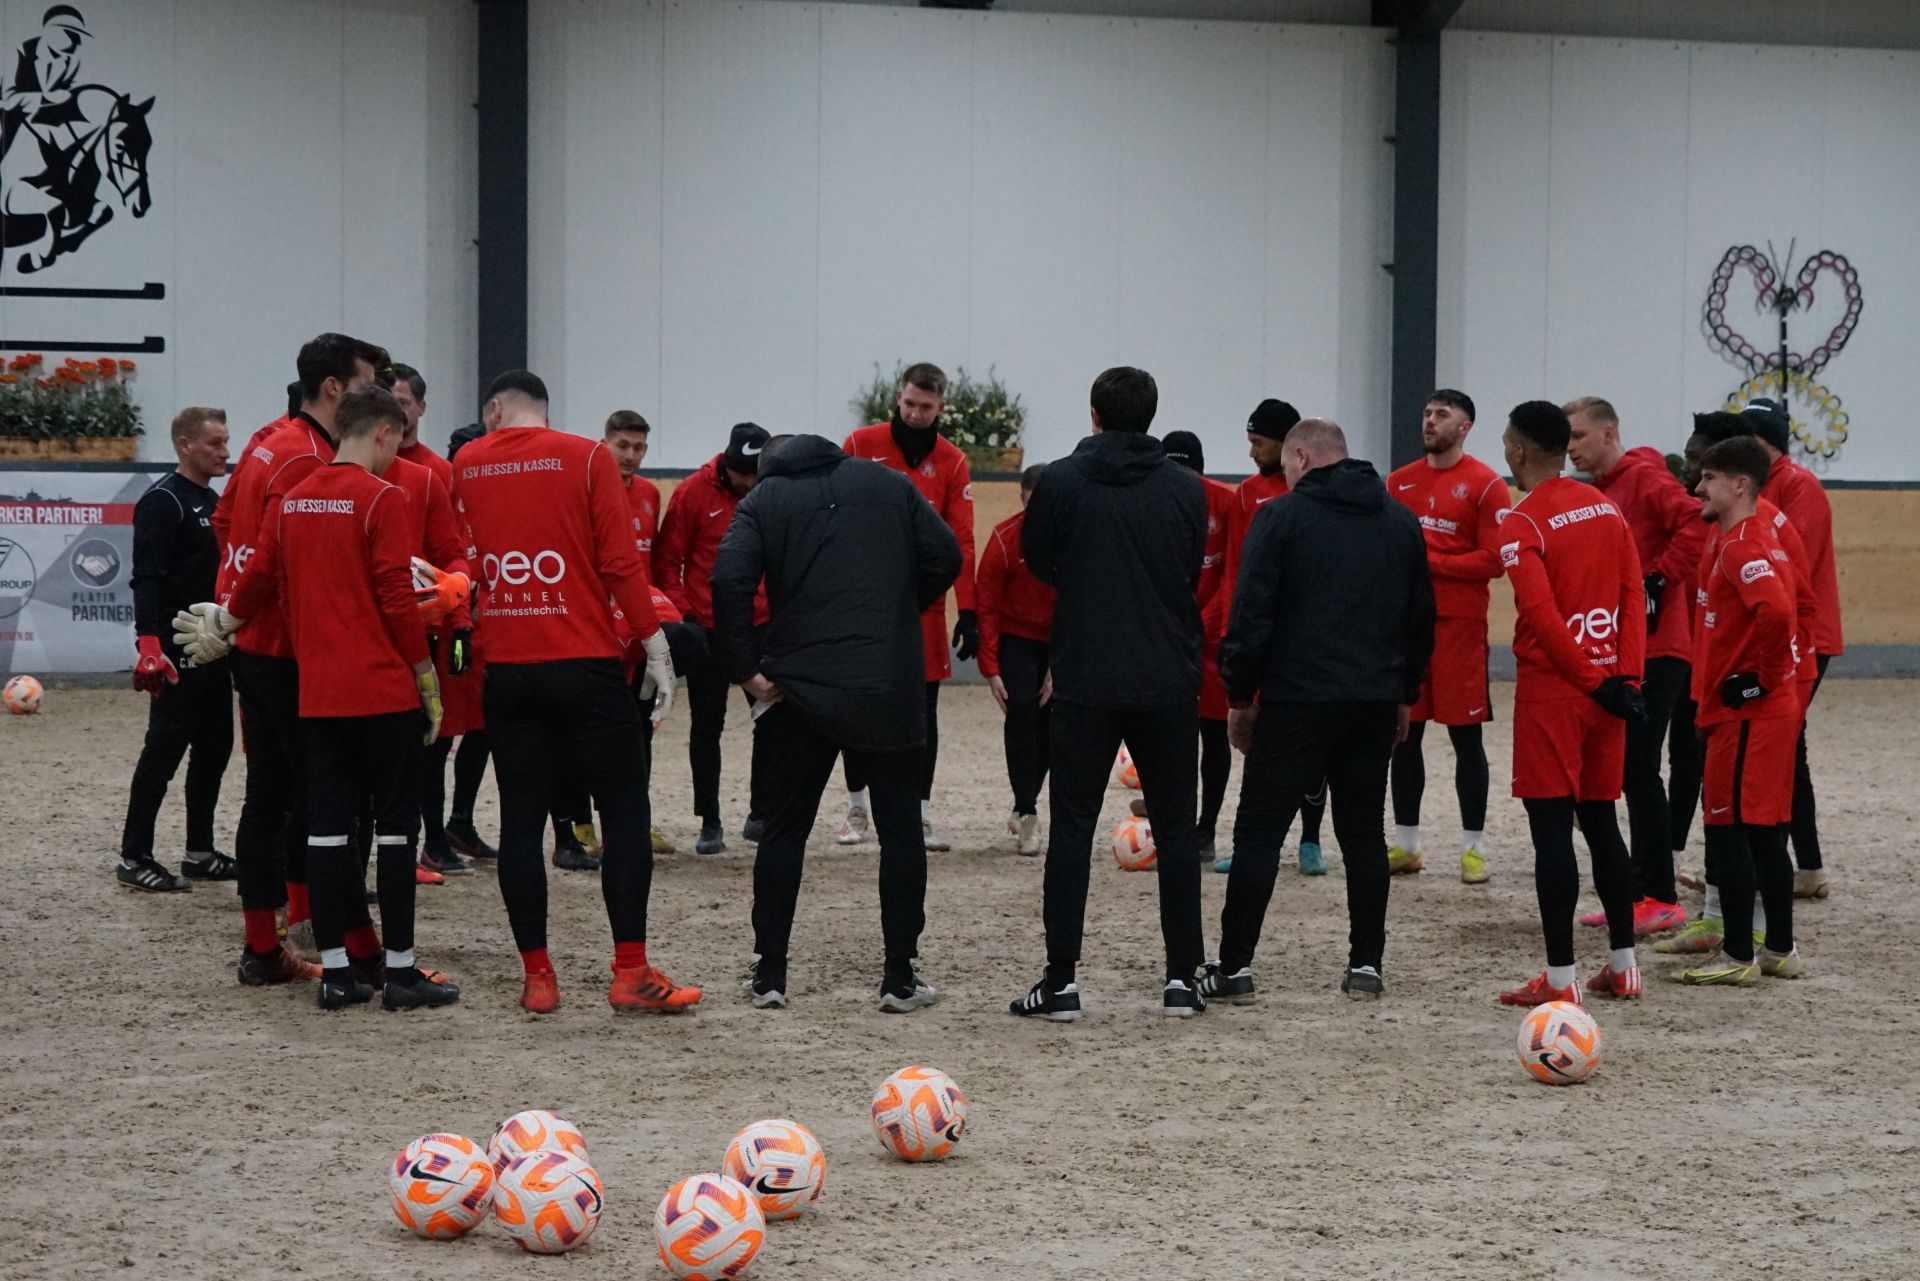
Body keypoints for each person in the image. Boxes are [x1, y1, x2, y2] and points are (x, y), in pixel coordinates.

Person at [184, 385, 460, 1012]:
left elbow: (260, 575)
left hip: (318, 693)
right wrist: (424, 671)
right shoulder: (384, 498)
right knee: (396, 831)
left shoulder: (295, 498)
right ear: (384, 432)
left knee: (326, 830)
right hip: (382, 689)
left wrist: (226, 622)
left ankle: (336, 974)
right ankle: (400, 971)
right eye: (396, 443)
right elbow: (396, 594)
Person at [453, 369, 695, 1015]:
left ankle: (538, 978)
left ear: (495, 409)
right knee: (624, 810)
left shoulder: (467, 463)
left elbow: (465, 559)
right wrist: (653, 640)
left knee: (520, 822)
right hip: (583, 661)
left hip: (508, 665)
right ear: (544, 408)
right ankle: (630, 972)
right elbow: (619, 563)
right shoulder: (587, 457)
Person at [711, 433, 962, 1011]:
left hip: (799, 686)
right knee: (901, 832)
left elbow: (727, 580)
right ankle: (899, 976)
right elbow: (946, 556)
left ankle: (770, 973)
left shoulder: (764, 499)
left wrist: (744, 667)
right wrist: (896, 607)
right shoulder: (891, 484)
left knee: (784, 830)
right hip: (887, 682)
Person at [1204, 419, 1434, 1004]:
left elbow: (1251, 614)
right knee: (1363, 835)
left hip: (1296, 700)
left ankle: (1235, 967)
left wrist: (1239, 696)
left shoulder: (1280, 518)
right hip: (1372, 701)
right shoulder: (1400, 522)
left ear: (1302, 457)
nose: (1284, 475)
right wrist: (1404, 693)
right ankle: (1366, 964)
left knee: (1259, 833)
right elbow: (1420, 619)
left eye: (1286, 465)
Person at [1007, 367, 1209, 1021]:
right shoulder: (1186, 488)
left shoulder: (1061, 481)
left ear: (1093, 415)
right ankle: (1182, 979)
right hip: (1167, 674)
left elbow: (1038, 560)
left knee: (1071, 828)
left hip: (1086, 672)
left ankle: (1061, 981)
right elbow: (1188, 564)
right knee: (1176, 830)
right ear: (1151, 415)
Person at [212, 332, 386, 988]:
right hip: (290, 650)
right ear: (334, 387)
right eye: (367, 381)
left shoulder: (269, 441)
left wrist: (229, 609)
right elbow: (274, 558)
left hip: (256, 646)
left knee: (272, 795)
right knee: (328, 799)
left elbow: (225, 523)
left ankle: (267, 946)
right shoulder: (309, 459)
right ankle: (356, 950)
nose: (376, 393)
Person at [1493, 401, 1647, 1007]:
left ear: (1518, 449)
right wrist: (1626, 679)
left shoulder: (1521, 522)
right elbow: (1633, 593)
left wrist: (1590, 680)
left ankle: (1560, 981)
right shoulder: (1606, 507)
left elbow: (1540, 615)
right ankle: (1625, 967)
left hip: (1557, 691)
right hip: (1611, 686)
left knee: (1552, 832)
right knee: (1603, 822)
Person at [1657, 412, 1818, 957]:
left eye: (1707, 476)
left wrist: (1763, 681)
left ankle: (1738, 953)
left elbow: (1783, 611)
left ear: (1740, 483)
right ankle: (1775, 949)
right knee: (1762, 829)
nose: (1696, 485)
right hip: (1741, 704)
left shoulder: (1746, 541)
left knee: (1731, 828)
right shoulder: (1740, 534)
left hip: (1747, 711)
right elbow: (1792, 604)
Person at [1566, 396, 1707, 936]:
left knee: (1639, 770)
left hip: (1660, 649)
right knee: (1624, 770)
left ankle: (1661, 896)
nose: (1571, 447)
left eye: (1578, 435)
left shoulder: (1645, 478)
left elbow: (1696, 521)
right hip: (1624, 649)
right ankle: (1635, 891)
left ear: (1609, 433)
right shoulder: (1598, 493)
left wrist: (1659, 578)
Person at [838, 364, 978, 853]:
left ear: (941, 408)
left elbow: (962, 540)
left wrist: (969, 610)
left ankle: (920, 814)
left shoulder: (953, 461)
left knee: (922, 715)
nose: (916, 414)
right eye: (910, 404)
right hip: (863, 605)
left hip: (925, 609)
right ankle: (857, 809)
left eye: (926, 407)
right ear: (898, 398)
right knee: (858, 709)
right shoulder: (860, 445)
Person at [1385, 390, 1504, 884]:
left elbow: (1493, 560)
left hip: (1460, 627)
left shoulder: (1487, 484)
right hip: (1406, 627)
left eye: (1442, 414)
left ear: (1465, 427)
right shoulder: (1398, 482)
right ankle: (1407, 845)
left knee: (1466, 738)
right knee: (1404, 735)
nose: (1430, 421)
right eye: (1427, 412)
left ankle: (1472, 849)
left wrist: (1431, 562)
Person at [116, 406, 236, 893]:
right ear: (185, 445)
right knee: (163, 752)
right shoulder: (162, 502)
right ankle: (133, 856)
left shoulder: (212, 500)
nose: (225, 452)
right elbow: (145, 577)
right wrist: (149, 644)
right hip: (175, 649)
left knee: (215, 749)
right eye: (214, 443)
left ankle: (199, 852)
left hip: (213, 646)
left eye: (226, 442)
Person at [1209, 398, 1328, 874]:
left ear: (1286, 445)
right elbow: (1236, 568)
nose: (1251, 451)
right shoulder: (1247, 494)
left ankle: (1311, 840)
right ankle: (1251, 846)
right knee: (1255, 744)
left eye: (1258, 443)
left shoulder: (1313, 491)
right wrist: (1230, 629)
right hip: (1262, 638)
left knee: (1312, 747)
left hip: (1304, 639)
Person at [1733, 398, 1842, 900]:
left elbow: (1790, 564)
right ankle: (1805, 867)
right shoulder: (1758, 485)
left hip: (1805, 638)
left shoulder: (1800, 487)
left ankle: (1784, 864)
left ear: (1764, 442)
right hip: (1778, 634)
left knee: (1780, 748)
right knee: (1788, 749)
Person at [652, 421, 769, 855]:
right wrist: (686, 618)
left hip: (758, 626)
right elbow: (668, 562)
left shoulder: (769, 490)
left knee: (769, 719)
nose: (751, 483)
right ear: (728, 465)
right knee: (707, 727)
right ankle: (710, 820)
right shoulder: (692, 493)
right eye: (744, 475)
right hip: (707, 627)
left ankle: (761, 814)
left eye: (757, 475)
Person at [387, 362, 477, 880]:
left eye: (403, 402)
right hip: (379, 629)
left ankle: (433, 840)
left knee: (436, 736)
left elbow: (452, 551)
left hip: (430, 627)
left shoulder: (435, 474)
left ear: (421, 408)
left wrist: (461, 621)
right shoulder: (360, 467)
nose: (395, 412)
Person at [605, 408, 685, 856]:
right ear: (605, 444)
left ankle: (638, 821)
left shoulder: (651, 494)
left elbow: (652, 564)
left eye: (638, 448)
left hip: (641, 630)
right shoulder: (589, 488)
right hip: (600, 629)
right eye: (623, 445)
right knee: (597, 731)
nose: (631, 455)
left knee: (643, 726)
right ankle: (583, 826)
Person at [1161, 432, 1239, 867]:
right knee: (1167, 735)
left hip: (1209, 641)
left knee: (1213, 733)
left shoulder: (1226, 503)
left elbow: (1232, 573)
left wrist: (1203, 625)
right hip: (1166, 636)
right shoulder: (1154, 498)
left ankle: (1205, 827)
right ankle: (1171, 820)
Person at [976, 462, 1055, 856]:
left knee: (1053, 723)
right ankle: (1027, 811)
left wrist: (1059, 664)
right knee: (1022, 708)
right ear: (1021, 497)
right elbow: (987, 607)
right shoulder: (1004, 539)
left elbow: (1080, 602)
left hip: (1058, 639)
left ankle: (1025, 799)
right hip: (1017, 638)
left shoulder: (1071, 539)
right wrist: (990, 668)